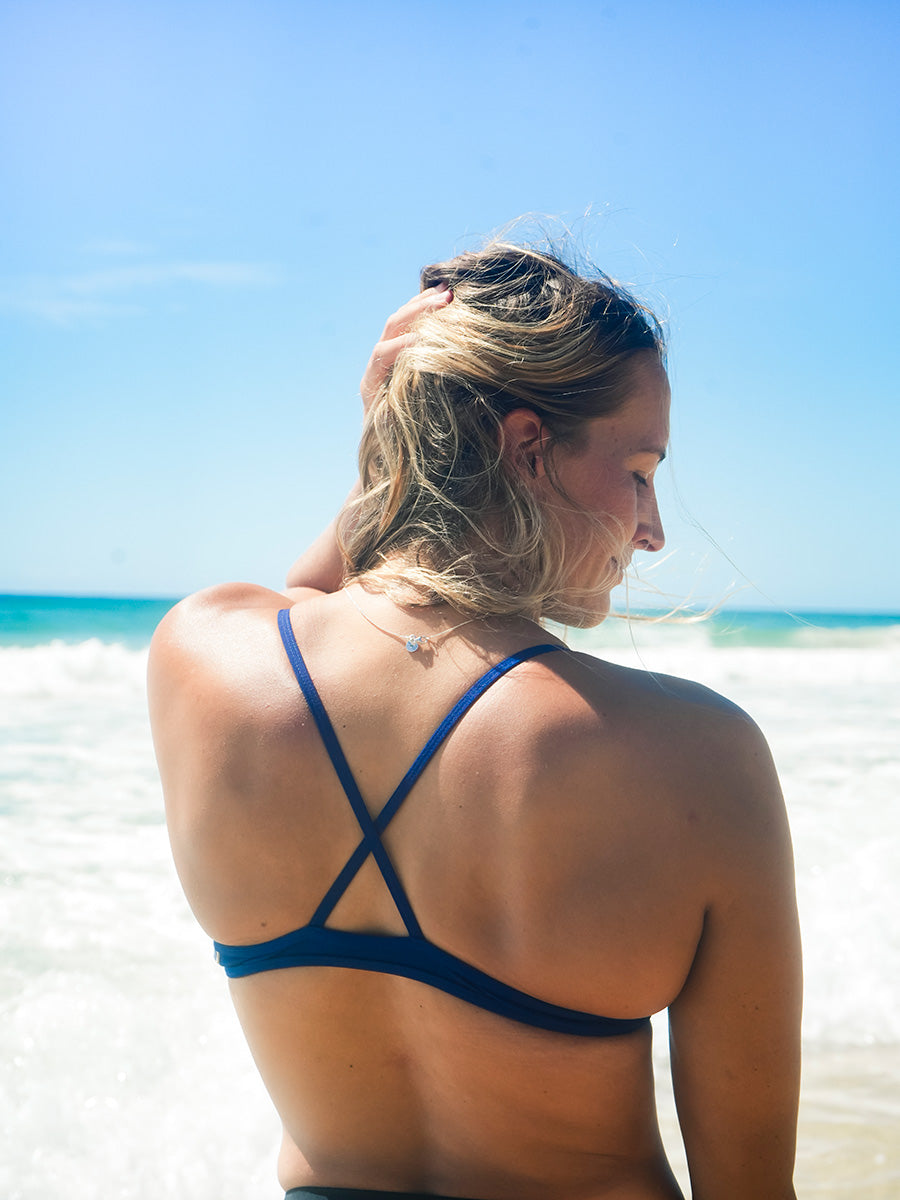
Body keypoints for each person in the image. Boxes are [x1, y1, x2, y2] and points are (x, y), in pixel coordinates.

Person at [148, 243, 802, 1200]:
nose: (653, 527)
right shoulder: (697, 759)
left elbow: (317, 604)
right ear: (529, 447)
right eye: (641, 470)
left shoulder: (203, 658)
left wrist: (393, 442)